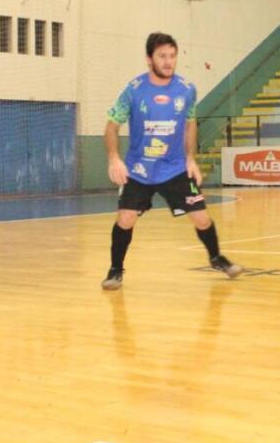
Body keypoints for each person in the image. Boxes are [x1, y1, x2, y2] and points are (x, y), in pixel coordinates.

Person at [101, 32, 242, 290]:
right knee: (126, 218)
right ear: (149, 59)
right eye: (162, 56)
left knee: (201, 218)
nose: (168, 62)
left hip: (175, 168)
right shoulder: (133, 91)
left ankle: (216, 257)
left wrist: (191, 158)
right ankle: (115, 270)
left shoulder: (187, 90)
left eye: (172, 56)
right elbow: (111, 126)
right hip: (139, 169)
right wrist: (114, 158)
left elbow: (190, 123)